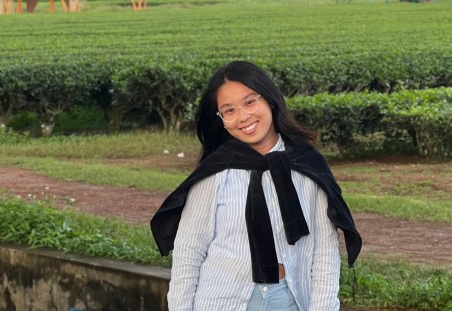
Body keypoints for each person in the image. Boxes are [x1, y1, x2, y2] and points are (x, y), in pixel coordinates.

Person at [150, 61, 362, 311]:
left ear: (270, 100)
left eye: (250, 102)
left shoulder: (308, 166)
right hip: (221, 301)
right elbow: (189, 254)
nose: (243, 117)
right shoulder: (215, 172)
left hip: (290, 301)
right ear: (222, 120)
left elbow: (324, 252)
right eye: (229, 111)